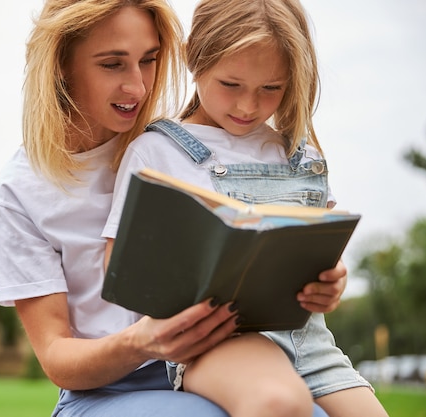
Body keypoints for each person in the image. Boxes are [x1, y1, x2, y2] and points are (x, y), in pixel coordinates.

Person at [102, 1, 389, 417]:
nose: (247, 107)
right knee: (276, 402)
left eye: (271, 88)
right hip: (217, 342)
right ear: (192, 58)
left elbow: (320, 258)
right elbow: (119, 262)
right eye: (231, 85)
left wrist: (332, 283)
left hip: (311, 347)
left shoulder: (299, 153)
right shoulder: (156, 152)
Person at [0, 1, 238, 416]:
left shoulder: (173, 151)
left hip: (211, 370)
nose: (137, 87)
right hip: (105, 395)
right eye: (112, 65)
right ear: (61, 65)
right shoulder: (18, 192)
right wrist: (143, 341)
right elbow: (55, 356)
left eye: (149, 60)